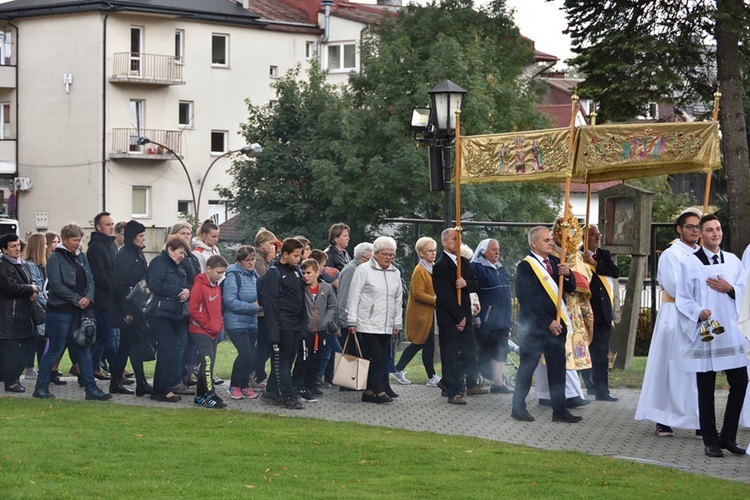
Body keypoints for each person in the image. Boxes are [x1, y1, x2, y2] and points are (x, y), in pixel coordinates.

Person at [675, 214, 748, 458]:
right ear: (701, 234)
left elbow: (746, 290)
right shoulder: (690, 263)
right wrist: (698, 312)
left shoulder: (733, 261)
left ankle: (727, 436)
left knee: (740, 382)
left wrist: (731, 290)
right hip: (704, 332)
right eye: (709, 230)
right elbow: (683, 297)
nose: (715, 234)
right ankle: (710, 440)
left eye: (718, 229)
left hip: (730, 331)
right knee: (705, 387)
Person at [635, 210, 702, 436]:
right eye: (690, 226)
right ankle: (662, 418)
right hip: (675, 314)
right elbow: (675, 287)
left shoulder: (703, 253)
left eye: (698, 226)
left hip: (698, 316)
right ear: (679, 229)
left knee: (695, 369)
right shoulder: (672, 255)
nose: (695, 230)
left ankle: (698, 418)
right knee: (668, 366)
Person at [511, 226, 580, 423]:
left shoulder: (556, 262)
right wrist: (548, 322)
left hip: (556, 327)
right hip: (535, 327)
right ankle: (518, 407)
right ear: (534, 243)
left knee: (558, 369)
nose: (551, 243)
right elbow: (527, 300)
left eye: (551, 240)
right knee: (527, 367)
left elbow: (570, 289)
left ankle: (560, 410)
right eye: (546, 240)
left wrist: (568, 275)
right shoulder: (526, 266)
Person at [34, 223, 110, 401]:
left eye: (79, 240)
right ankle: (41, 386)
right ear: (66, 239)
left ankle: (91, 389)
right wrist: (77, 299)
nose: (78, 243)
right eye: (75, 240)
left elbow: (90, 279)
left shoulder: (81, 257)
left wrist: (88, 298)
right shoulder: (55, 259)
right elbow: (56, 285)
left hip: (81, 311)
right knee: (55, 349)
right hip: (60, 311)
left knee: (85, 349)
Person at [346, 236, 403, 404]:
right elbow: (354, 295)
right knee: (376, 356)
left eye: (392, 255)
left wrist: (397, 322)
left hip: (386, 323)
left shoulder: (395, 272)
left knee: (382, 356)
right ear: (376, 254)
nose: (388, 258)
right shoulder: (363, 270)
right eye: (385, 254)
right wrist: (352, 320)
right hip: (367, 322)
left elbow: (398, 299)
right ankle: (379, 390)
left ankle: (369, 391)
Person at [433, 228, 485, 405]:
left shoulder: (464, 262)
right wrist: (458, 317)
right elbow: (444, 295)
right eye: (454, 239)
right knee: (450, 354)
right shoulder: (440, 266)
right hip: (449, 317)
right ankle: (454, 392)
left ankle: (447, 381)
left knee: (471, 353)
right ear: (445, 242)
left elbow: (476, 284)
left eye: (459, 239)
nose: (457, 242)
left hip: (465, 314)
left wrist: (466, 283)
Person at [259, 237, 307, 410]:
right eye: (295, 255)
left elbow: (301, 298)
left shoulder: (296, 271)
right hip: (282, 323)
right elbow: (270, 303)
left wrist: (303, 322)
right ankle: (287, 394)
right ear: (284, 254)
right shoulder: (274, 273)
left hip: (295, 323)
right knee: (282, 361)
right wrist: (274, 331)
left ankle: (272, 390)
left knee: (289, 359)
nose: (299, 259)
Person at [319, 241, 373, 387]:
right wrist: (346, 320)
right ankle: (347, 382)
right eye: (370, 258)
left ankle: (354, 381)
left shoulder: (359, 268)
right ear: (362, 257)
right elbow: (344, 296)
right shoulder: (352, 269)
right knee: (347, 351)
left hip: (355, 318)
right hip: (347, 319)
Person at [146, 235, 191, 403]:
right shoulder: (159, 262)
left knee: (169, 350)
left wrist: (187, 291)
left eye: (185, 253)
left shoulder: (178, 267)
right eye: (180, 252)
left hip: (172, 314)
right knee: (167, 349)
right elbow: (155, 284)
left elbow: (184, 285)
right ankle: (162, 389)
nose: (182, 256)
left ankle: (161, 388)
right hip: (159, 313)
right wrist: (178, 291)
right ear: (170, 249)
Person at [392, 236, 441, 387]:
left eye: (434, 250)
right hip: (420, 315)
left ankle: (429, 375)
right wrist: (436, 299)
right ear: (421, 253)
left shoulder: (431, 268)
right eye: (429, 251)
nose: (433, 253)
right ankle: (428, 375)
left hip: (428, 315)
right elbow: (418, 293)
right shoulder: (420, 270)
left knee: (425, 345)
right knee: (420, 343)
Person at [110, 220, 152, 396]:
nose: (144, 239)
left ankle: (115, 381)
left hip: (138, 305)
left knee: (125, 347)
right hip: (128, 307)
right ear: (133, 237)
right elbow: (119, 285)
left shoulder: (137, 254)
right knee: (135, 344)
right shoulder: (124, 256)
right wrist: (126, 311)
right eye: (141, 236)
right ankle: (141, 382)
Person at [581, 224, 620, 401]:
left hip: (603, 312)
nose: (597, 238)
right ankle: (589, 385)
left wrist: (594, 263)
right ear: (584, 237)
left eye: (599, 234)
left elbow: (615, 272)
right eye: (593, 235)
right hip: (585, 311)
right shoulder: (577, 254)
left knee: (601, 353)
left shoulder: (603, 255)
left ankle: (603, 391)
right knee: (585, 352)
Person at [470, 238, 513, 394]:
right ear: (484, 251)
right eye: (494, 249)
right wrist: (476, 317)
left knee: (500, 350)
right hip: (485, 320)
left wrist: (509, 319)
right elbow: (473, 294)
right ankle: (471, 381)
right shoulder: (476, 268)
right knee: (481, 351)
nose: (497, 252)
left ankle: (498, 383)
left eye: (498, 249)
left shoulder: (501, 269)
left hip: (502, 319)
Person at [294, 258, 338, 402]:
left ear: (317, 272)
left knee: (316, 359)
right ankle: (298, 385)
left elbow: (332, 305)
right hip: (305, 330)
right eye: (303, 273)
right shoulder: (300, 287)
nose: (305, 276)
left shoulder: (326, 288)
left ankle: (310, 384)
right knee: (303, 359)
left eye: (308, 273)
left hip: (320, 330)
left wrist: (327, 320)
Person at [0, 233, 39, 393]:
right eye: (13, 246)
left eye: (18, 245)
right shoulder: (4, 265)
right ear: (4, 249)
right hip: (10, 315)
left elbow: (27, 282)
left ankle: (13, 378)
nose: (17, 249)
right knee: (12, 351)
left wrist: (32, 288)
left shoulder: (20, 264)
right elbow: (11, 287)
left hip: (24, 314)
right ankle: (11, 381)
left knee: (27, 347)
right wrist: (31, 289)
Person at [189, 254, 229, 409]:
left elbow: (217, 309)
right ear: (209, 269)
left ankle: (200, 396)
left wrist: (219, 324)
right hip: (200, 330)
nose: (220, 276)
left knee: (209, 364)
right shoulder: (199, 286)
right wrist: (208, 325)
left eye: (222, 273)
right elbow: (194, 310)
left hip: (213, 331)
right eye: (218, 272)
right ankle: (211, 395)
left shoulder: (216, 287)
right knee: (207, 362)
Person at [224, 245, 262, 401]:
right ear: (239, 261)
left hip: (251, 322)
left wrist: (260, 305)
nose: (251, 263)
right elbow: (229, 300)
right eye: (247, 260)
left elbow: (262, 295)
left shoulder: (255, 276)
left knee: (251, 355)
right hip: (235, 322)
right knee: (245, 353)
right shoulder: (233, 276)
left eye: (253, 259)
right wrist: (252, 307)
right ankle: (234, 385)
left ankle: (244, 385)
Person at [168, 222, 200, 394]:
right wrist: (187, 289)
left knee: (188, 343)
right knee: (179, 344)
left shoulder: (191, 256)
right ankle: (174, 380)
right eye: (183, 233)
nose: (187, 236)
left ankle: (183, 374)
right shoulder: (172, 257)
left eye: (189, 233)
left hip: (192, 305)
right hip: (179, 307)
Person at [87, 211, 118, 381]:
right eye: (108, 224)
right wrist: (113, 291)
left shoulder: (111, 245)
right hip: (104, 299)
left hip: (112, 297)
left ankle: (94, 367)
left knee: (101, 336)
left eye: (112, 224)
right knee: (110, 336)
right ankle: (116, 371)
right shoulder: (96, 247)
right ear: (99, 227)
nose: (111, 227)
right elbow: (99, 275)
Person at [251, 227, 277, 387]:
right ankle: (256, 373)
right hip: (260, 311)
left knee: (265, 344)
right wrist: (270, 260)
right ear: (261, 244)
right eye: (271, 243)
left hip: (266, 309)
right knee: (263, 345)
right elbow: (265, 278)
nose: (273, 247)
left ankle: (257, 373)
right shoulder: (258, 259)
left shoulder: (263, 258)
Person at [22, 233, 50, 382]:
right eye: (44, 244)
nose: (46, 246)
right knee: (36, 338)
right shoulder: (31, 266)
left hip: (43, 307)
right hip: (37, 308)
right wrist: (49, 304)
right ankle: (30, 368)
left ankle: (42, 367)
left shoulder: (42, 266)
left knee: (43, 339)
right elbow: (37, 290)